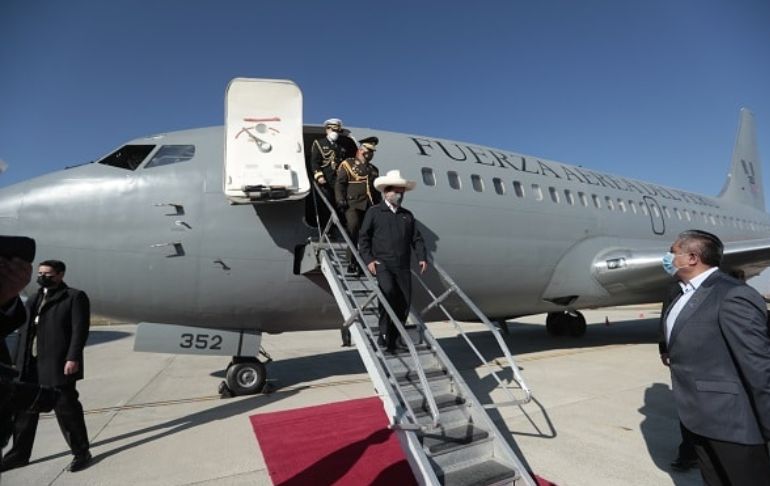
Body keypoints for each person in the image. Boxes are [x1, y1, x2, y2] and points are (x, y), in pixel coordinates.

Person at [660, 230, 770, 485]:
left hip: (734, 425)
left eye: (672, 252)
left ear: (692, 258)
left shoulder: (732, 295)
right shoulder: (679, 293)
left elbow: (759, 365)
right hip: (698, 420)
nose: (667, 258)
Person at [2, 260, 93, 473]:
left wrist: (73, 357)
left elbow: (80, 330)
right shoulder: (34, 298)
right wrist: (17, 360)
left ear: (60, 275)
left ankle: (81, 452)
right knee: (24, 412)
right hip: (29, 364)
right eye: (41, 273)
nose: (43, 277)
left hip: (57, 363)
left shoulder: (74, 297)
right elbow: (23, 331)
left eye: (48, 274)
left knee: (67, 410)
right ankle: (18, 455)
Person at [358, 170, 427, 353]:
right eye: (397, 192)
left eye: (402, 192)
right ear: (386, 192)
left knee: (404, 302)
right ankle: (384, 334)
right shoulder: (374, 212)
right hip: (383, 263)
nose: (400, 195)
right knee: (388, 293)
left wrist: (421, 257)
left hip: (403, 265)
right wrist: (369, 260)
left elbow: (416, 239)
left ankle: (395, 339)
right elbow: (363, 238)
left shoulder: (407, 215)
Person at [335, 136, 381, 276]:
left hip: (370, 205)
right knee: (353, 230)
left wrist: (379, 205)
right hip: (353, 204)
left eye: (372, 152)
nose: (371, 154)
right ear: (361, 150)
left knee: (367, 235)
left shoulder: (374, 169)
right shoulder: (348, 164)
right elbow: (340, 183)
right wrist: (340, 199)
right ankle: (351, 262)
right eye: (369, 151)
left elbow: (375, 189)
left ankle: (365, 263)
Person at [310, 118, 357, 214]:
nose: (335, 133)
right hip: (326, 180)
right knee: (326, 205)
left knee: (341, 204)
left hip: (340, 180)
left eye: (337, 131)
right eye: (333, 130)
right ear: (327, 129)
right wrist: (319, 176)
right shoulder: (319, 143)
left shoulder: (343, 144)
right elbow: (314, 162)